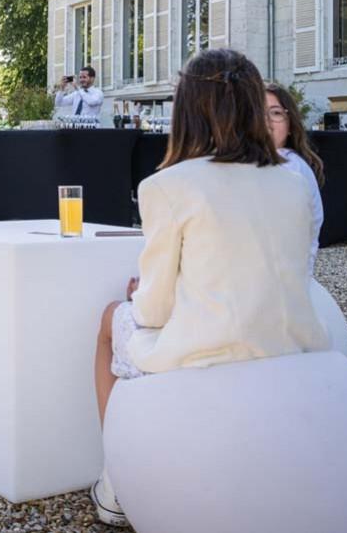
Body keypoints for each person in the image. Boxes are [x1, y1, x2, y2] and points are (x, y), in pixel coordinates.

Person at [89, 49, 328, 526]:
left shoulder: (168, 184)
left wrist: (139, 295)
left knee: (111, 320)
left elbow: (154, 311)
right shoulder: (296, 182)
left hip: (208, 351)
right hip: (289, 345)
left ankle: (117, 480)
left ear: (188, 111)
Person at [266, 82, 325, 275]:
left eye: (276, 113)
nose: (266, 120)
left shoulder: (289, 166)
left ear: (290, 124)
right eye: (257, 112)